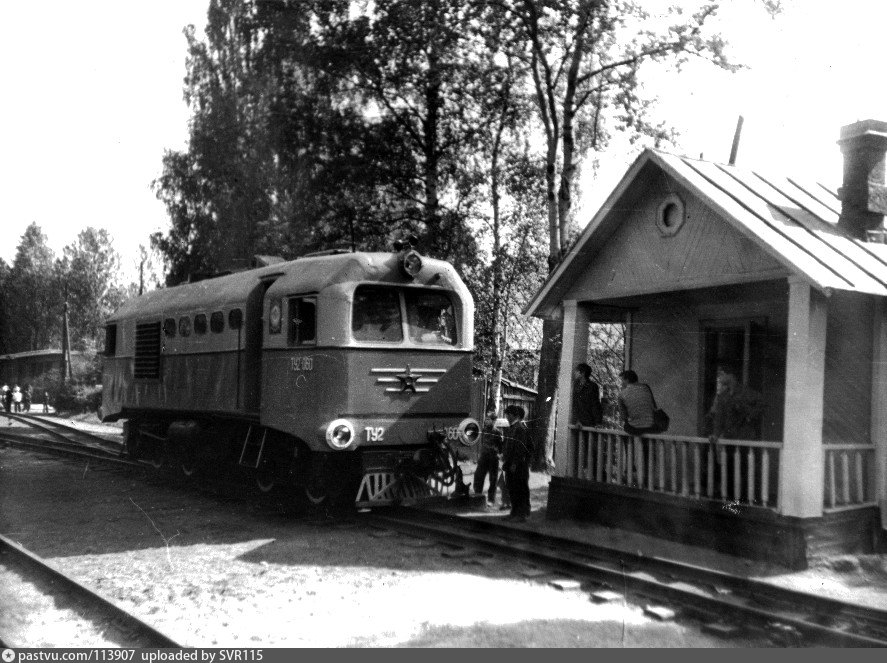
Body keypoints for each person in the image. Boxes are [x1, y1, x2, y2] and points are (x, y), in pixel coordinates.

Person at [705, 368, 764, 444]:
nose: (722, 379)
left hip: (745, 437)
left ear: (732, 377)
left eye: (724, 375)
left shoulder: (745, 392)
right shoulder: (723, 397)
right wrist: (716, 434)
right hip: (729, 437)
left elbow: (762, 403)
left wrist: (750, 416)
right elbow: (719, 418)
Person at [502, 404, 533, 523]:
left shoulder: (520, 428)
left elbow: (520, 447)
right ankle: (514, 512)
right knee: (512, 488)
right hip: (510, 463)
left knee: (520, 488)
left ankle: (522, 514)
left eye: (508, 414)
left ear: (514, 415)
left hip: (519, 464)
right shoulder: (512, 428)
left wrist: (515, 462)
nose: (507, 417)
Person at [473, 409, 503, 506]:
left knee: (492, 480)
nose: (486, 421)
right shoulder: (484, 430)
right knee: (478, 476)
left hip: (493, 459)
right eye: (486, 419)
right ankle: (477, 496)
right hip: (484, 457)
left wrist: (497, 453)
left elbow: (500, 447)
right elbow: (482, 443)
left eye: (488, 419)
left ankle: (491, 500)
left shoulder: (498, 432)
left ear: (494, 421)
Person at [617, 370, 657, 436]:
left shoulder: (621, 394)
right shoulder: (646, 387)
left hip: (635, 428)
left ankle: (629, 445)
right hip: (651, 426)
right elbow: (654, 407)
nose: (621, 383)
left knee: (626, 431)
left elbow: (623, 416)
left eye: (622, 380)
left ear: (627, 380)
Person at [572, 363, 603, 427]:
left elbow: (595, 404)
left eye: (577, 371)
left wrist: (598, 422)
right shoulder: (576, 385)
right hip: (579, 423)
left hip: (590, 421)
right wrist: (577, 420)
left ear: (582, 373)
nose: (575, 373)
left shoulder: (592, 386)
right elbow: (575, 404)